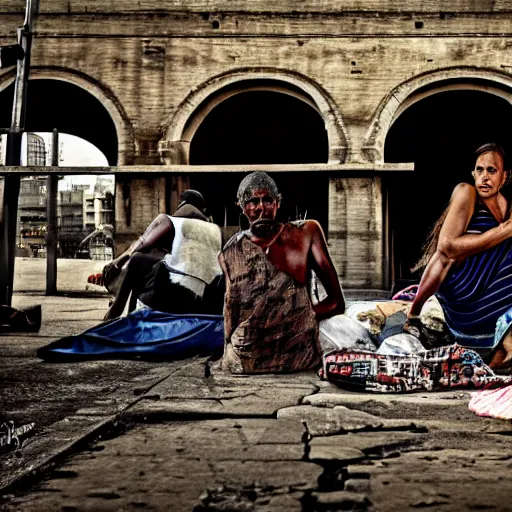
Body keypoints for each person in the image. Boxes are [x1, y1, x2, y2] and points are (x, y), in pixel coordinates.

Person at [219, 171, 345, 374]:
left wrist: (301, 317)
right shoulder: (230, 252)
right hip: (246, 359)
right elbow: (231, 311)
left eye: (267, 200)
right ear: (242, 207)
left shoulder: (306, 233)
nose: (261, 208)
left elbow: (337, 302)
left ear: (277, 202)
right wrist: (228, 347)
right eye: (253, 202)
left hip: (297, 354)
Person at [408, 143, 512, 369]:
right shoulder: (468, 192)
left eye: (491, 171)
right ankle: (412, 314)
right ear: (473, 173)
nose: (484, 177)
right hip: (464, 297)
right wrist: (503, 231)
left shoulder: (509, 208)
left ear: (504, 177)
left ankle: (499, 355)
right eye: (479, 170)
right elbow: (447, 247)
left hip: (496, 294)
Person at [103, 189, 223, 320]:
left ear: (181, 205)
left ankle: (115, 313)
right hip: (205, 305)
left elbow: (141, 244)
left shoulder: (168, 220)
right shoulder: (214, 230)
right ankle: (129, 314)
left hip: (173, 297)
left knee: (138, 260)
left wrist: (118, 261)